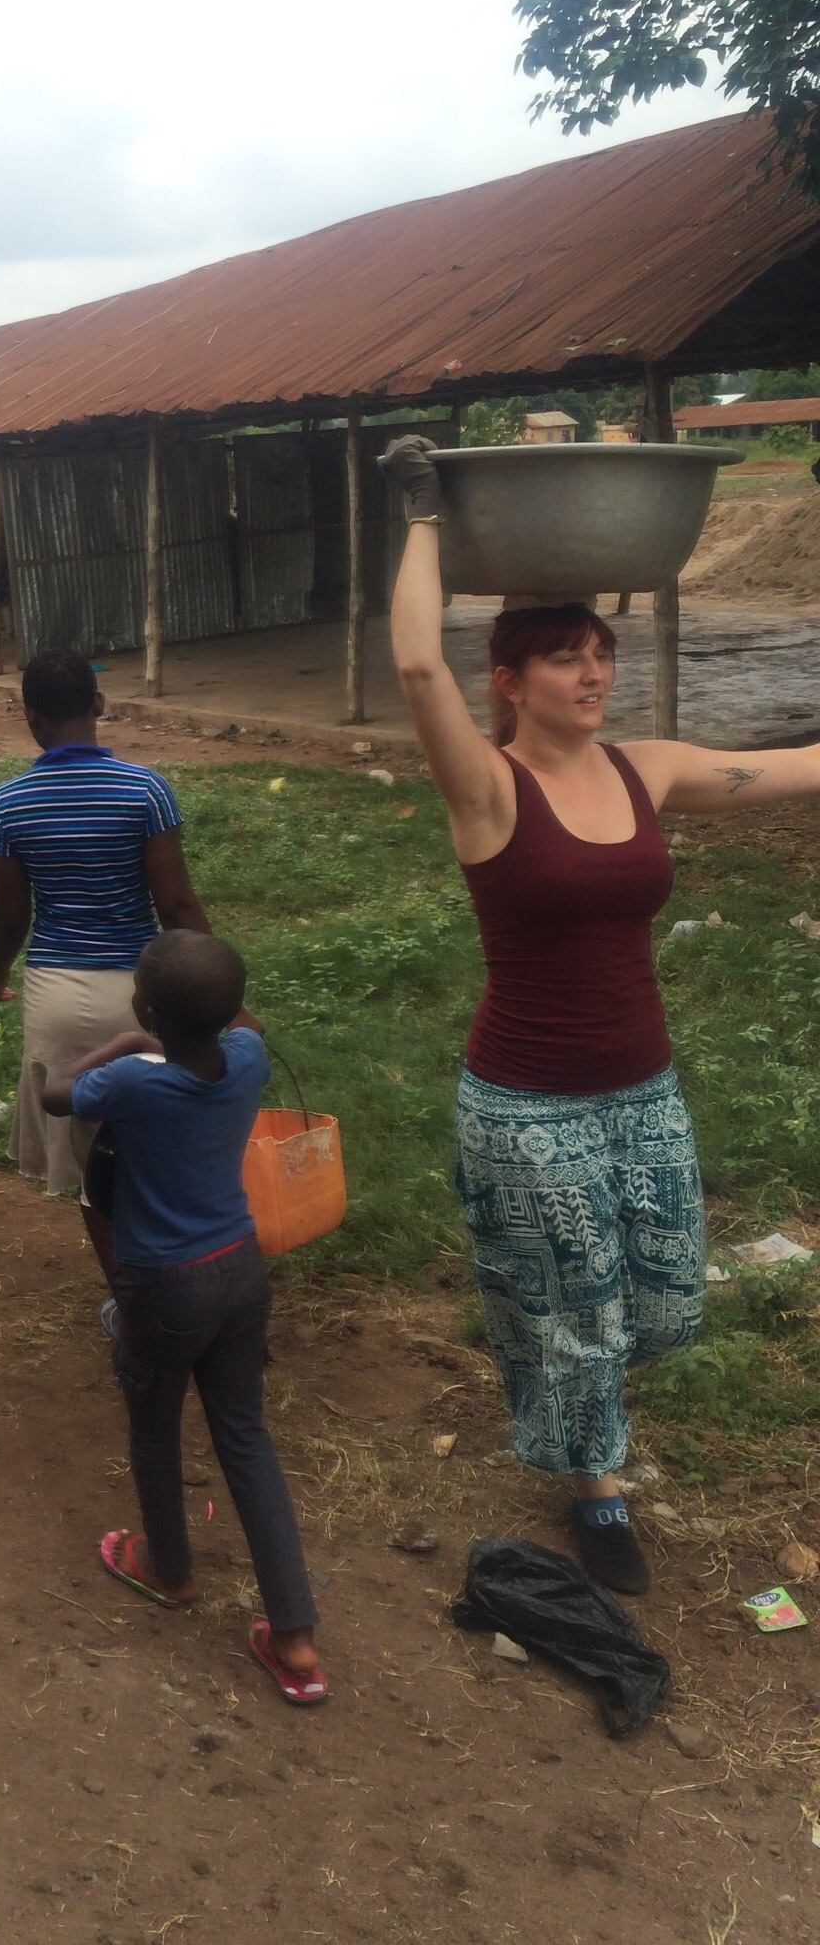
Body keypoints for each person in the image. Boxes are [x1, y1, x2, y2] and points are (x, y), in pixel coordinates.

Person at [382, 430, 820, 1594]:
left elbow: (797, 767)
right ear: (510, 681)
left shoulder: (646, 768)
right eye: (566, 659)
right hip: (529, 1104)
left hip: (643, 1086)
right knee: (577, 1311)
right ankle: (597, 1486)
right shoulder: (488, 787)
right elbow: (418, 665)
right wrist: (424, 514)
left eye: (600, 656)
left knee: (664, 1300)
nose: (592, 675)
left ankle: (589, 1421)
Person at [42, 929, 325, 1705]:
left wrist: (127, 1044)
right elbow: (246, 1028)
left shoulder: (132, 1084)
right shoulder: (249, 1060)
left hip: (163, 1286)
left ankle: (168, 1568)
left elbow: (55, 1094)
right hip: (240, 1273)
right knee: (245, 1436)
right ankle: (296, 1637)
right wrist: (186, 1022)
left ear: (148, 1009)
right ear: (230, 1012)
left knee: (154, 1423)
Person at [0, 651, 210, 1208]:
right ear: (100, 704)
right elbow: (176, 905)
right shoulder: (145, 790)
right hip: (139, 995)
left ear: (31, 717)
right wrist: (216, 988)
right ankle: (151, 1252)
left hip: (55, 996)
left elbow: (11, 915)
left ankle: (111, 1256)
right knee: (149, 1148)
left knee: (89, 1162)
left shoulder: (8, 803)